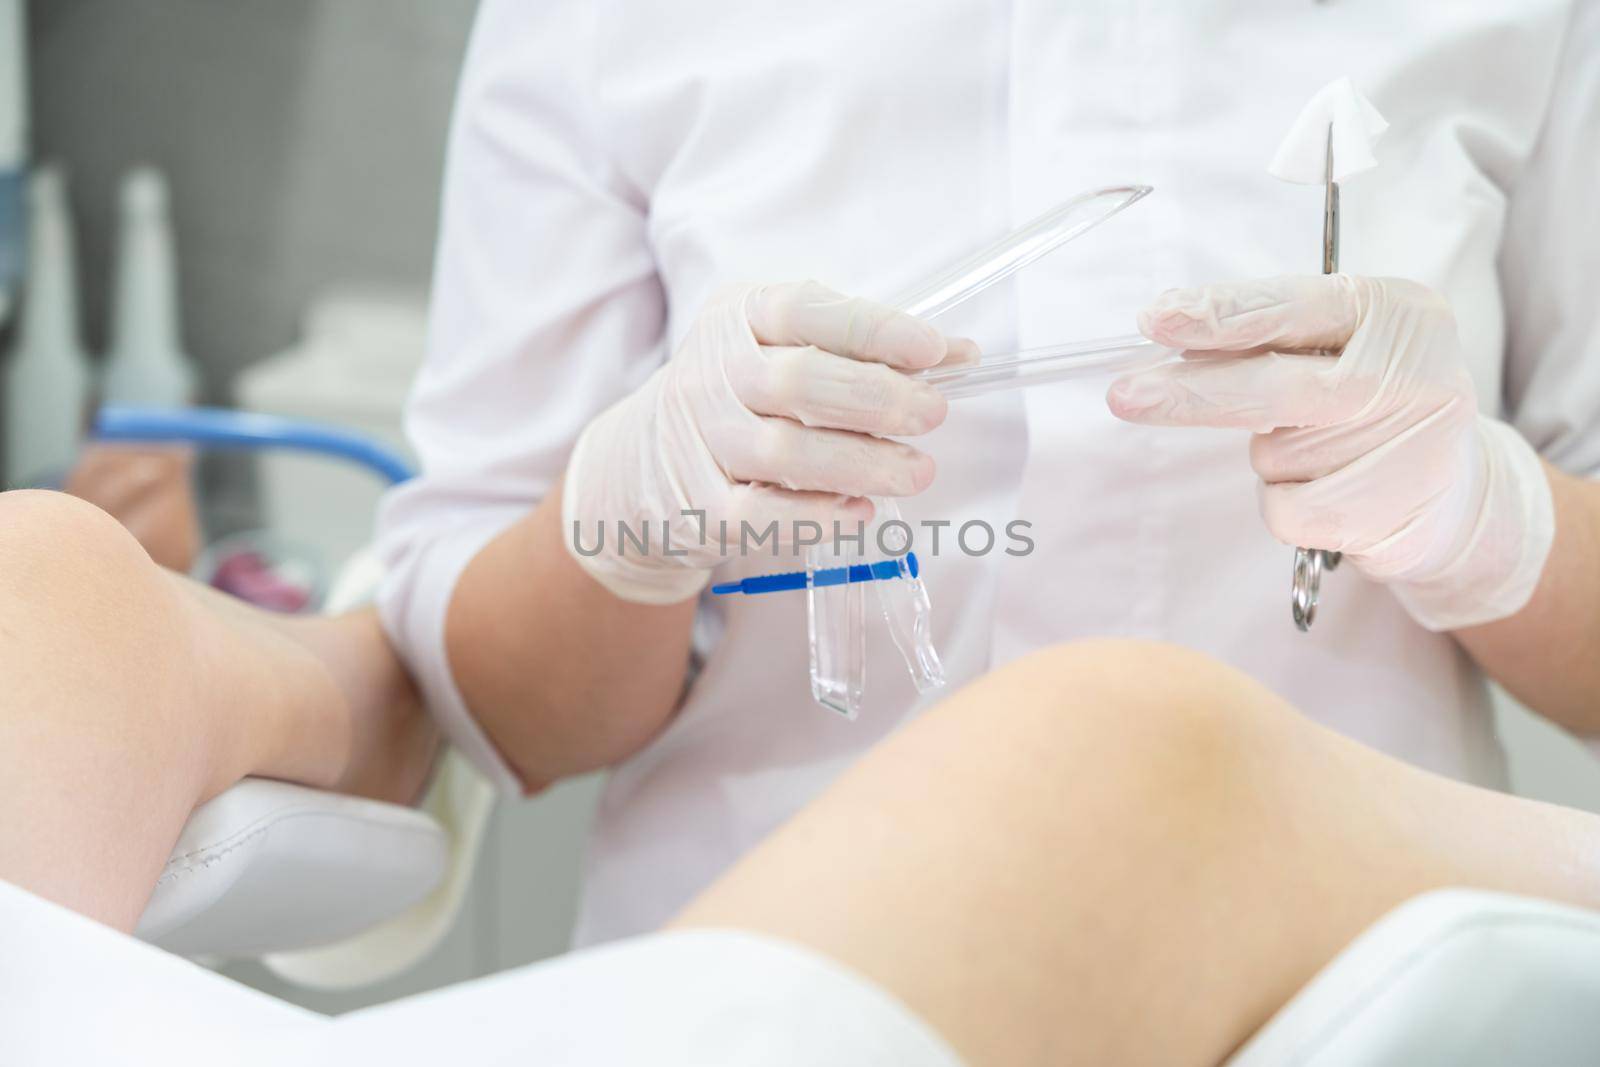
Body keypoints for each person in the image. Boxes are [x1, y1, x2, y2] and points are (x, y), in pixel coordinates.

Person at [375, 0, 1600, 946]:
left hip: (1362, 982)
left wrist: (1484, 519)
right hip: (774, 980)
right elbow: (507, 715)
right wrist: (628, 522)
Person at [2, 487, 1599, 1066]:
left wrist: (1494, 518)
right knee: (1126, 755)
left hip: (1296, 955)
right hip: (766, 955)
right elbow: (457, 678)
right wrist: (618, 533)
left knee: (42, 571)